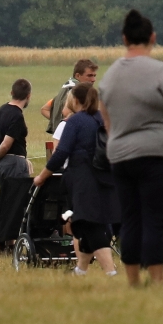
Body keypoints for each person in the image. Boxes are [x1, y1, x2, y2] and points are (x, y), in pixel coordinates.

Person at [98, 10, 163, 286]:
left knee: (130, 219)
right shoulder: (160, 72)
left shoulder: (109, 77)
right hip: (161, 156)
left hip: (121, 157)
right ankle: (156, 280)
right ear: (152, 38)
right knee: (155, 221)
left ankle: (133, 281)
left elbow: (106, 120)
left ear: (124, 38)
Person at [35, 82, 119, 275]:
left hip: (84, 180)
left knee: (89, 224)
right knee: (85, 225)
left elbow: (60, 154)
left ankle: (110, 272)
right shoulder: (104, 119)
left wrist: (42, 176)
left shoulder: (75, 122)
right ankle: (80, 270)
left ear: (76, 100)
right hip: (106, 178)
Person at [0, 79, 32, 252]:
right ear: (28, 96)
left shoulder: (0, 111)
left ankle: (4, 243)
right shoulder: (17, 116)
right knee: (15, 204)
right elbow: (5, 144)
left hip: (1, 165)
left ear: (12, 93)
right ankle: (8, 243)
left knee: (4, 201)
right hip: (13, 163)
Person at [44, 59, 99, 137]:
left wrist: (56, 121)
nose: (93, 79)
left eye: (94, 76)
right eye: (89, 75)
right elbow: (66, 112)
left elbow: (44, 109)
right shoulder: (77, 91)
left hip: (60, 136)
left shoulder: (65, 88)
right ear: (77, 76)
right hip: (71, 136)